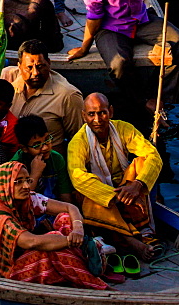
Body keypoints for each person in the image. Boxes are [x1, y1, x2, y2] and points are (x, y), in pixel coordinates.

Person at [0, 160, 107, 288]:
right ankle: (93, 281)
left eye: (27, 180)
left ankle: (80, 262)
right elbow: (31, 242)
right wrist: (71, 240)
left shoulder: (28, 199)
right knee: (53, 247)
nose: (26, 186)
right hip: (6, 272)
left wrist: (78, 231)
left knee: (65, 218)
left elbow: (70, 208)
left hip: (24, 255)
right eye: (18, 182)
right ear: (4, 185)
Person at [67, 92, 162, 260]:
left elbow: (153, 156)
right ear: (84, 116)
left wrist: (138, 184)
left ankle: (132, 229)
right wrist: (115, 196)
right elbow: (78, 177)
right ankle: (131, 239)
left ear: (110, 112)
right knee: (85, 190)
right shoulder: (78, 142)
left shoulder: (124, 129)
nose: (97, 119)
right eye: (91, 114)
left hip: (126, 190)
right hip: (105, 197)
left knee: (142, 161)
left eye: (102, 112)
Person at [1, 39, 83, 150]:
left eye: (40, 66)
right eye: (29, 68)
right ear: (19, 67)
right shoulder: (9, 77)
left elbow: (78, 139)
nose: (35, 73)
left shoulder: (68, 95)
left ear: (49, 63)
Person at [12, 114, 74, 201]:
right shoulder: (15, 166)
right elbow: (23, 201)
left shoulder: (57, 159)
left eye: (47, 140)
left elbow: (65, 195)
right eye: (37, 145)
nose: (45, 147)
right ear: (24, 148)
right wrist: (35, 174)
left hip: (54, 208)